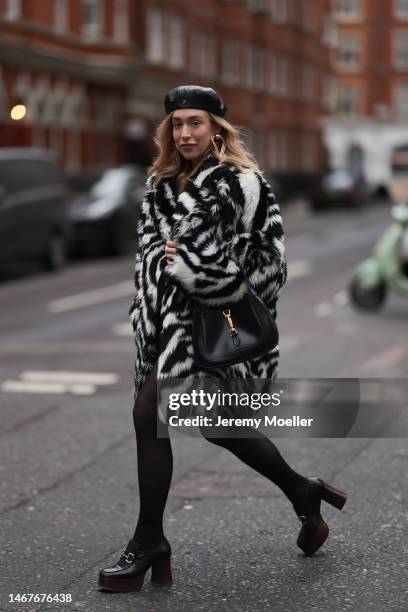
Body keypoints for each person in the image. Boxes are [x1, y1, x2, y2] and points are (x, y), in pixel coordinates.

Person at [98, 85, 347, 593]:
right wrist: (158, 282)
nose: (186, 132)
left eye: (196, 122)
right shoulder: (160, 183)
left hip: (216, 331)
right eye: (178, 124)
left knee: (150, 416)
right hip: (164, 331)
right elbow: (152, 259)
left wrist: (198, 270)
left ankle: (148, 543)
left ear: (217, 129)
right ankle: (304, 490)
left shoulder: (243, 183)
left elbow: (270, 267)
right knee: (217, 426)